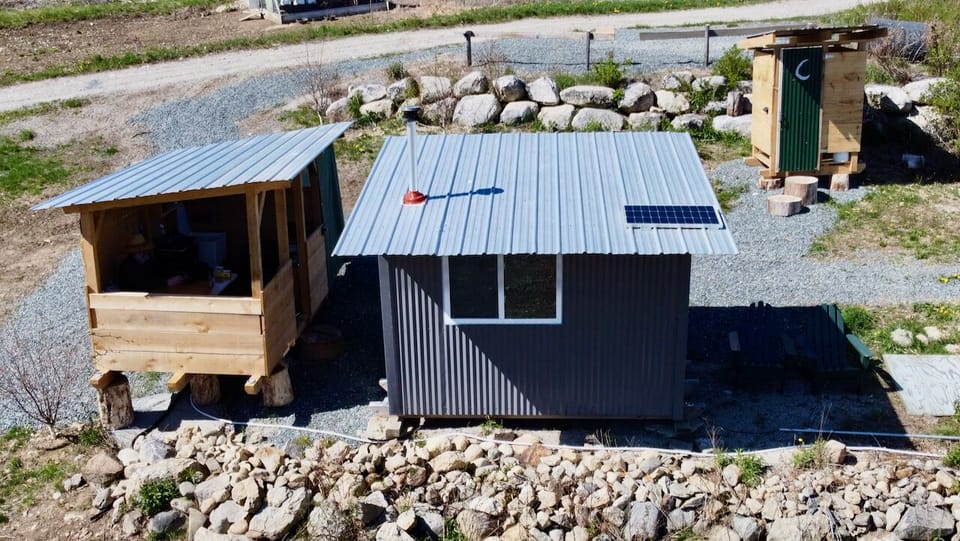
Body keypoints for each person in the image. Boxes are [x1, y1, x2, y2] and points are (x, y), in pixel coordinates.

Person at [117, 233, 186, 291]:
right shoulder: (128, 266)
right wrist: (166, 282)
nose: (142, 253)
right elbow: (141, 285)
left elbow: (158, 271)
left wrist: (175, 277)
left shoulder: (146, 260)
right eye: (138, 252)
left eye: (143, 251)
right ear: (132, 253)